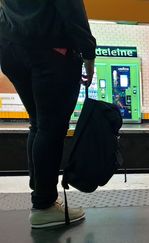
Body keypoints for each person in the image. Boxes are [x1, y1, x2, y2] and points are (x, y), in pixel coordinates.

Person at [0, 0, 96, 228]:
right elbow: (71, 7)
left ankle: (42, 194)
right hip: (50, 50)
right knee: (50, 129)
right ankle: (44, 205)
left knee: (38, 125)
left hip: (11, 45)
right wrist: (88, 53)